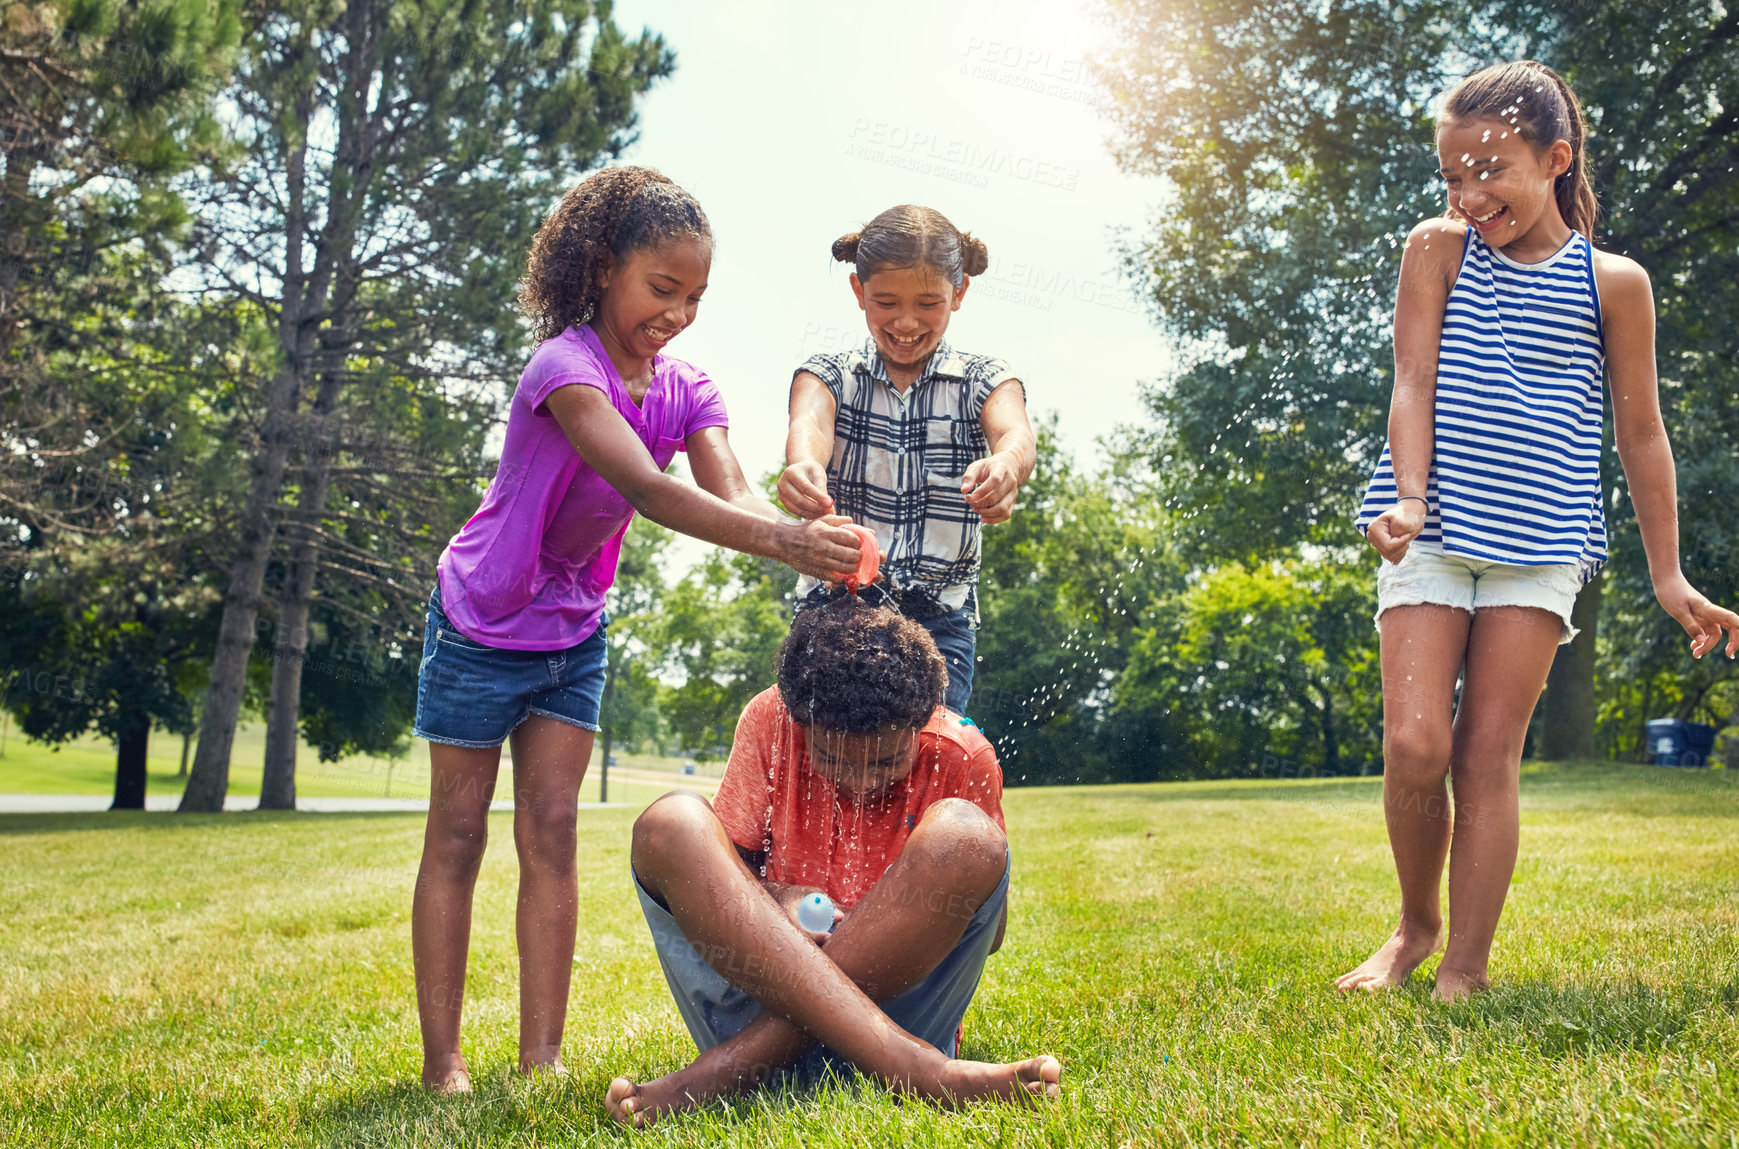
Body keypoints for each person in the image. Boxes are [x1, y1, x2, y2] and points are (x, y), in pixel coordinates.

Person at [410, 166, 863, 1092]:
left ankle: (540, 1060)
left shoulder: (686, 387)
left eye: (695, 296)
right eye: (662, 289)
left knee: (553, 827)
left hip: (573, 633)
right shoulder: (562, 370)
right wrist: (781, 541)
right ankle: (443, 1061)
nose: (679, 313)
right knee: (457, 834)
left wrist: (793, 517)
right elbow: (649, 490)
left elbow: (725, 487)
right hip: (481, 621)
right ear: (602, 267)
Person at [1340, 61, 1739, 1002]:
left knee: (1485, 754)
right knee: (1414, 745)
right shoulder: (1435, 250)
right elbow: (1410, 380)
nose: (1469, 196)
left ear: (1555, 160)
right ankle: (1414, 926)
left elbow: (1640, 432)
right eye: (1452, 178)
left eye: (1492, 172)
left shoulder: (1614, 282)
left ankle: (1465, 967)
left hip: (1541, 546)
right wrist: (1402, 494)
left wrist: (1668, 574)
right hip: (1428, 527)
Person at [604, 596, 1062, 1125]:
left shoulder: (962, 755)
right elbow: (731, 876)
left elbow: (992, 933)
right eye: (830, 759)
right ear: (799, 723)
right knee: (672, 822)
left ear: (924, 720)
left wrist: (886, 918)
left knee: (965, 835)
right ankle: (916, 1070)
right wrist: (781, 899)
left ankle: (728, 1071)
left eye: (889, 761)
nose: (863, 785)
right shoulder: (769, 720)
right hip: (758, 1001)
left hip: (903, 1009)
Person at [778, 205, 1037, 715]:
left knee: (931, 752)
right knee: (821, 750)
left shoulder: (982, 379)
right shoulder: (830, 374)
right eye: (886, 301)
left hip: (938, 619)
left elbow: (1015, 434)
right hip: (834, 610)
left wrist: (1006, 465)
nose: (905, 321)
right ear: (859, 293)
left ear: (958, 293)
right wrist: (803, 463)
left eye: (928, 303)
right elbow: (808, 424)